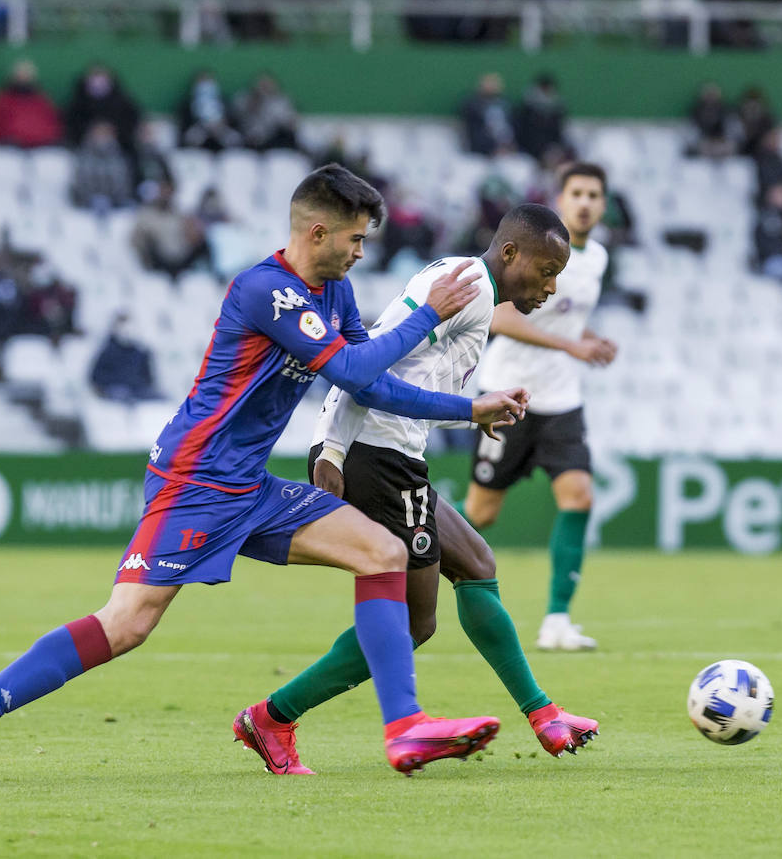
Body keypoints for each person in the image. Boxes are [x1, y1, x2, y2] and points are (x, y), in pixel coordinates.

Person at [0, 164, 527, 788]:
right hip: (195, 482)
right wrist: (425, 317)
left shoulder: (334, 293)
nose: (362, 252)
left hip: (250, 486)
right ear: (319, 232)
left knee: (383, 553)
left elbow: (371, 381)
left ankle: (403, 726)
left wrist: (468, 409)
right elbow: (348, 370)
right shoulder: (267, 290)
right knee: (126, 623)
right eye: (356, 240)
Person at [234, 203, 598, 776]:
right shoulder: (467, 287)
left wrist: (477, 413)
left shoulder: (472, 292)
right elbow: (364, 364)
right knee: (414, 621)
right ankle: (275, 716)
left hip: (394, 453)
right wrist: (330, 445)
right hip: (375, 456)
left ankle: (544, 715)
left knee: (476, 562)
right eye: (547, 270)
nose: (552, 287)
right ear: (510, 254)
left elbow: (410, 380)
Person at [462, 162, 618, 651]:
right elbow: (500, 318)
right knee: (480, 514)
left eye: (595, 194)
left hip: (561, 399)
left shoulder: (598, 259)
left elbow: (565, 321)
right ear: (561, 197)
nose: (586, 201)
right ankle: (408, 575)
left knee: (580, 497)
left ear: (603, 204)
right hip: (507, 392)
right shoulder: (533, 249)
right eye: (578, 192)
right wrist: (572, 347)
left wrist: (586, 339)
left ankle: (556, 621)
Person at [0, 59, 63, 149]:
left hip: (42, 146)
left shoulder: (42, 100)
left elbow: (53, 123)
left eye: (27, 75)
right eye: (20, 75)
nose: (23, 78)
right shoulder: (2, 100)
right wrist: (3, 139)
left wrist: (50, 138)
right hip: (12, 148)